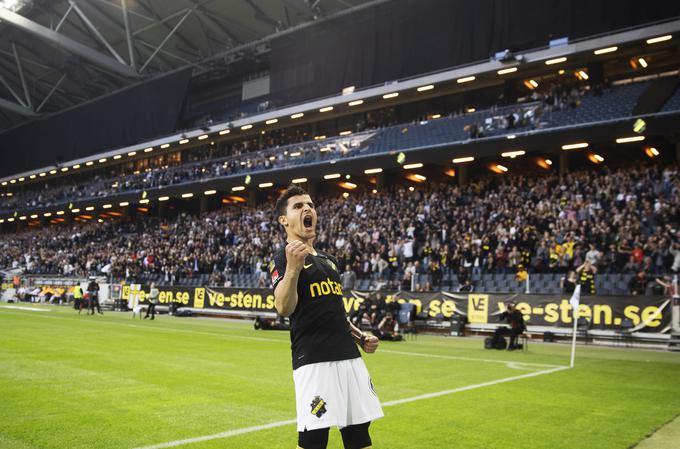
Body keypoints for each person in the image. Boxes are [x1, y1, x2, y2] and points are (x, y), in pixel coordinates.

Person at [271, 185, 383, 449]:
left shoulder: (330, 261)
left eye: (309, 205)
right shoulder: (282, 257)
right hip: (314, 361)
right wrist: (293, 270)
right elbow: (283, 308)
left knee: (359, 437)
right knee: (313, 440)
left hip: (349, 358)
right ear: (284, 220)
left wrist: (360, 336)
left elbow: (336, 312)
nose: (307, 209)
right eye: (298, 206)